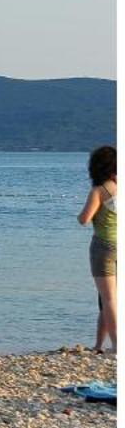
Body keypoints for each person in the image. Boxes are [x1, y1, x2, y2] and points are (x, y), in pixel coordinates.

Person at [78, 145, 117, 354]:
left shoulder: (100, 191)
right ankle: (99, 345)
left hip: (104, 246)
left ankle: (118, 344)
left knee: (109, 298)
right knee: (108, 298)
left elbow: (85, 219)